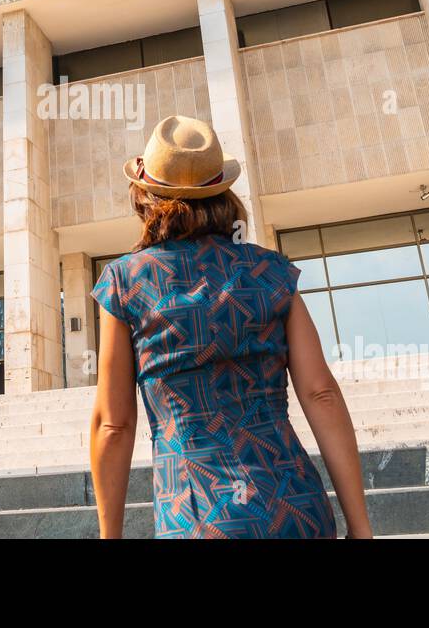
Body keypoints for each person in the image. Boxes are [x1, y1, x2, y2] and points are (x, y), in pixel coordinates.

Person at [89, 115, 372, 539]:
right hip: (295, 507)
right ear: (222, 192)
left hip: (197, 516)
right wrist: (361, 528)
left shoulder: (126, 281)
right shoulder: (272, 270)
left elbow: (113, 426)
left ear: (145, 195)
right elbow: (321, 393)